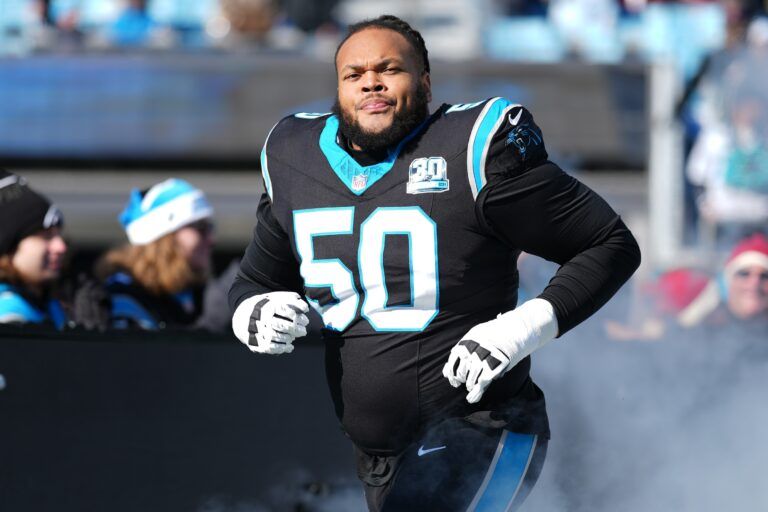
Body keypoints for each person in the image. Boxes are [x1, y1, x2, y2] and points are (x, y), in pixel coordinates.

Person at [229, 15, 641, 511]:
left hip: (484, 426)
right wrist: (249, 313)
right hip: (379, 454)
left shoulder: (471, 147)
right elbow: (255, 280)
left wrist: (520, 328)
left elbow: (609, 243)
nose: (371, 83)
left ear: (424, 82)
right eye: (354, 74)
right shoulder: (293, 156)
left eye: (388, 69)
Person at [96, 178, 215, 330]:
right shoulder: (121, 298)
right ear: (165, 238)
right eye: (201, 228)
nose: (211, 240)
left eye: (210, 227)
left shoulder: (193, 293)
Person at [0, 169, 67, 328]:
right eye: (46, 236)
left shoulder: (46, 304)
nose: (61, 247)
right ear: (9, 248)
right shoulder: (8, 315)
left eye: (58, 235)